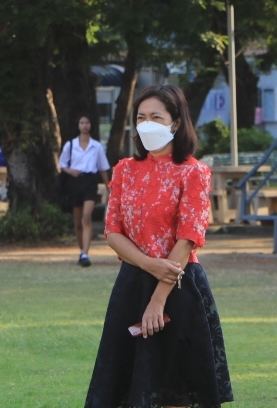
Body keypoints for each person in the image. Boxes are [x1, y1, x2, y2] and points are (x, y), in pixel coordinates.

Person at [84, 84, 233, 408]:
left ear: (176, 122)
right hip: (132, 286)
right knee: (125, 388)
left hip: (179, 287)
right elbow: (112, 231)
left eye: (156, 117)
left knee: (175, 388)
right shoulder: (124, 170)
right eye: (141, 117)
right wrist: (148, 263)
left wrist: (158, 300)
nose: (147, 124)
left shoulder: (193, 172)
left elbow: (188, 238)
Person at [59, 114, 111, 267]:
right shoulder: (70, 145)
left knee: (86, 217)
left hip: (90, 181)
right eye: (82, 123)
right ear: (78, 125)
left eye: (87, 122)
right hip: (75, 182)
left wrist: (108, 186)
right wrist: (71, 171)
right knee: (78, 222)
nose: (85, 125)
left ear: (91, 125)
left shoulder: (97, 146)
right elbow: (62, 164)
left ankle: (86, 254)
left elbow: (103, 168)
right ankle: (81, 250)